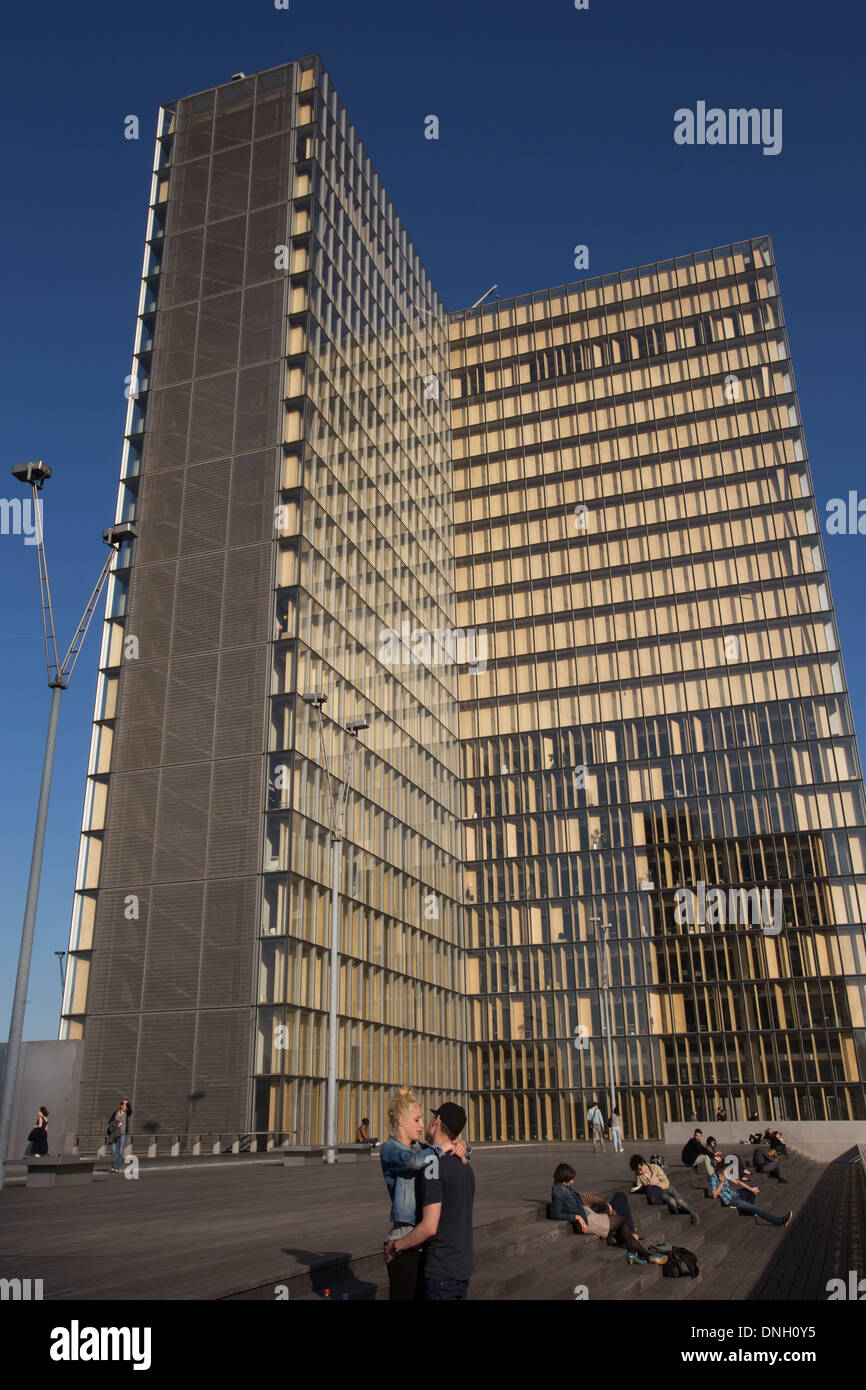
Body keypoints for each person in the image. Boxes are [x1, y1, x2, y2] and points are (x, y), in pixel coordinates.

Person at [379, 1087, 466, 1300]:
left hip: (421, 1236)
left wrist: (462, 1146)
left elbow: (436, 1153)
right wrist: (443, 1147)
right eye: (417, 1120)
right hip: (404, 1234)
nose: (421, 1126)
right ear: (401, 1121)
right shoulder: (390, 1150)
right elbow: (415, 1162)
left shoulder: (421, 1148)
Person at [550, 1163, 667, 1267]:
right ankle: (642, 1254)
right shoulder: (558, 1192)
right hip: (589, 1221)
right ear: (563, 1178)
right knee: (621, 1221)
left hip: (589, 1215)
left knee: (621, 1223)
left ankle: (639, 1254)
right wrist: (577, 1217)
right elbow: (557, 1214)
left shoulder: (563, 1188)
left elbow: (582, 1198)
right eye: (570, 1179)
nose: (572, 1182)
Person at [708, 1158, 791, 1227]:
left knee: (752, 1188)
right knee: (755, 1208)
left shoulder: (724, 1173)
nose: (726, 1172)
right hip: (730, 1200)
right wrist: (721, 1183)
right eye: (724, 1170)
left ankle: (747, 1211)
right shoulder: (713, 1178)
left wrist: (752, 1190)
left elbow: (737, 1182)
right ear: (720, 1171)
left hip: (734, 1194)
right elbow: (714, 1195)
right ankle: (779, 1221)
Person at [629, 1153, 699, 1225]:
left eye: (640, 1169)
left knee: (680, 1200)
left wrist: (655, 1184)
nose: (639, 1172)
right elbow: (639, 1185)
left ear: (643, 1163)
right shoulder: (638, 1175)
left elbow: (666, 1182)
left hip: (667, 1188)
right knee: (672, 1202)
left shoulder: (655, 1167)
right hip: (659, 1192)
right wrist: (637, 1188)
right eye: (637, 1171)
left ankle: (694, 1214)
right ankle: (681, 1212)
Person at [107, 1099, 131, 1173]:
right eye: (124, 1104)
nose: (125, 1106)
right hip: (115, 1133)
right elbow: (110, 1122)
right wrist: (115, 1125)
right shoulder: (115, 1113)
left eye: (126, 1105)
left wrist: (127, 1103)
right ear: (121, 1105)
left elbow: (130, 1110)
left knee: (120, 1151)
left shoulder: (127, 1113)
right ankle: (113, 1166)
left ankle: (118, 1167)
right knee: (113, 1151)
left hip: (123, 1134)